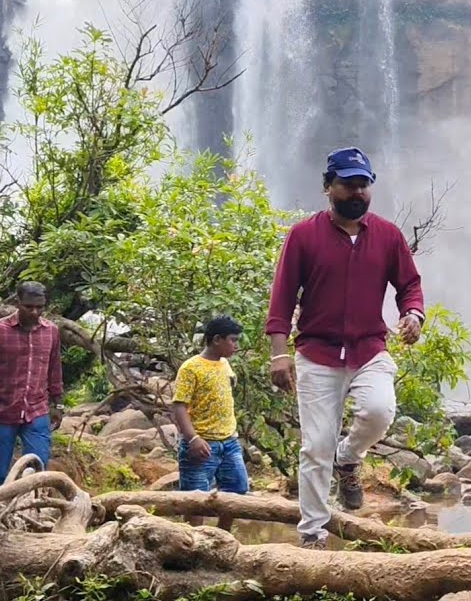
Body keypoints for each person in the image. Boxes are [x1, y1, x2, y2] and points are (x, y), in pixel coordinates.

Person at [267, 146, 425, 550]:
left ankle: (350, 455)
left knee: (379, 410)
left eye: (363, 186)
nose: (357, 193)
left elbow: (409, 284)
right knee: (314, 446)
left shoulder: (387, 235)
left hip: (369, 348)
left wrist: (413, 314)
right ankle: (313, 533)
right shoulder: (303, 236)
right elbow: (283, 297)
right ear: (327, 187)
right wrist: (279, 352)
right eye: (348, 185)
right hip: (317, 354)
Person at [0, 281, 64, 485]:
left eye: (40, 307)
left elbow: (54, 370)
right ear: (17, 303)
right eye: (29, 307)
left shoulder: (51, 331)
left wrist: (58, 404)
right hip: (2, 411)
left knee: (38, 467)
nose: (35, 312)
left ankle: (33, 509)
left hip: (37, 410)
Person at [171, 315, 249, 530]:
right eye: (233, 340)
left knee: (237, 492)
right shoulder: (191, 368)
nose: (236, 346)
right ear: (217, 340)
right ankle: (192, 547)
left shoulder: (225, 364)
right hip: (201, 444)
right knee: (196, 501)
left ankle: (222, 539)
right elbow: (179, 406)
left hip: (229, 442)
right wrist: (193, 439)